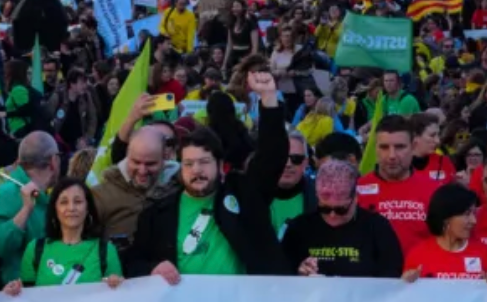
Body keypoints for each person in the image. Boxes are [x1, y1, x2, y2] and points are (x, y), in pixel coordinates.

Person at [127, 69, 289, 281]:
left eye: (204, 162)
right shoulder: (157, 213)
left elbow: (272, 157)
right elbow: (133, 264)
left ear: (221, 166)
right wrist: (153, 269)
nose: (196, 170)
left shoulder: (245, 194)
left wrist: (268, 98)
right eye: (189, 163)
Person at [282, 160, 404, 278]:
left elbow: (391, 277)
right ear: (317, 197)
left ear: (355, 198)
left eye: (341, 210)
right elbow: (281, 277)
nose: (332, 215)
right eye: (325, 209)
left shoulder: (377, 227)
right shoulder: (299, 229)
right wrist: (299, 272)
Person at [16, 180, 122, 289]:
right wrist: (12, 291)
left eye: (78, 201)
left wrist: (116, 284)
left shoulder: (106, 250)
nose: (71, 208)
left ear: (87, 208)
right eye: (64, 202)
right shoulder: (35, 248)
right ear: (55, 209)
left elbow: (115, 298)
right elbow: (25, 298)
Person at [0, 131, 58, 282]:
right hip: (18, 296)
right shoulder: (6, 194)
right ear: (53, 161)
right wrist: (25, 211)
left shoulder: (49, 197)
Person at [356, 114, 438, 251]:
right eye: (384, 147)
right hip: (372, 272)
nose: (392, 155)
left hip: (420, 271)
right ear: (375, 148)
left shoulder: (434, 190)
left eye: (399, 147)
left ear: (413, 147)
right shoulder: (357, 190)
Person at [402, 183, 487, 282]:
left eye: (474, 213)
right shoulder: (418, 255)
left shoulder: (483, 253)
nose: (473, 220)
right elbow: (407, 294)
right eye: (466, 214)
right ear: (446, 218)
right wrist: (406, 282)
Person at [92, 125, 167, 247]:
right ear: (127, 155)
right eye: (136, 162)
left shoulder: (176, 186)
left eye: (150, 164)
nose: (142, 171)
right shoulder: (100, 196)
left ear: (165, 157)